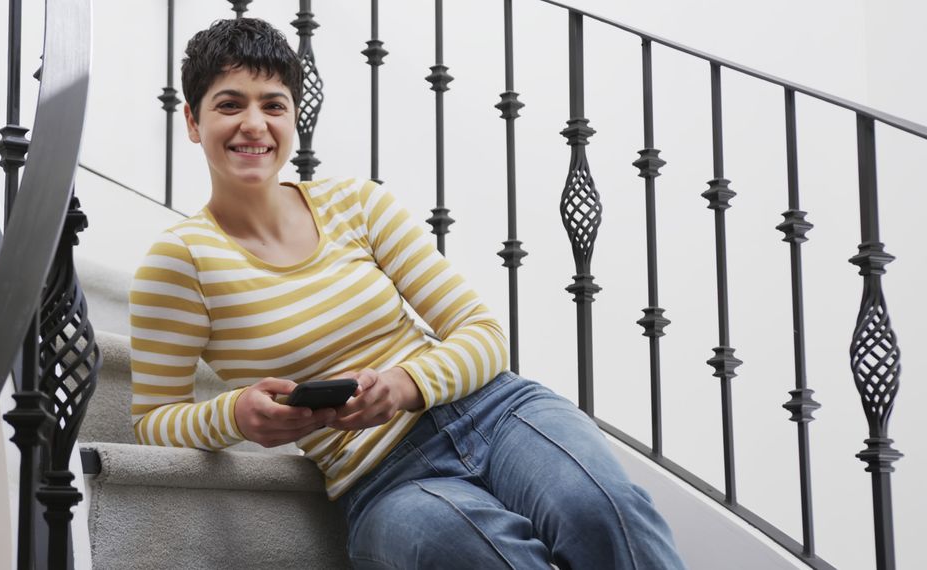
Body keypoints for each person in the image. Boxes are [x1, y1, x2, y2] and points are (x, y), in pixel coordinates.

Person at [129, 17, 686, 569]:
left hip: (494, 410)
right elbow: (153, 420)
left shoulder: (358, 204)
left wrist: (403, 384)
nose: (255, 124)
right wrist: (235, 416)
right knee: (476, 552)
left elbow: (485, 335)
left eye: (273, 105)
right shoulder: (180, 262)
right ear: (193, 122)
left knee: (602, 511)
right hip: (382, 480)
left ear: (293, 117)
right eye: (230, 104)